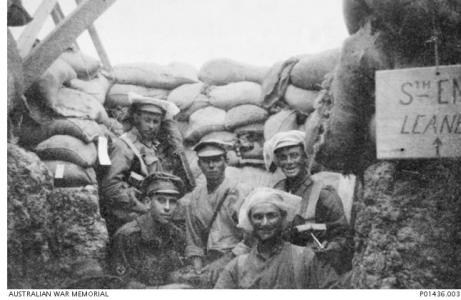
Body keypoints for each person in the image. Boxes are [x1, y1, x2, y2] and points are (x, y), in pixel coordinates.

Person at [100, 93, 193, 236]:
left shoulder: (156, 148)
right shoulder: (123, 146)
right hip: (130, 214)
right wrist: (143, 207)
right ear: (136, 118)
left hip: (154, 210)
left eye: (156, 122)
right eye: (147, 120)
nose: (151, 126)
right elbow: (111, 188)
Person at [264, 130, 354, 274]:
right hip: (282, 267)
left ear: (305, 157)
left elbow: (343, 236)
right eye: (283, 157)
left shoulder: (323, 193)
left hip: (314, 268)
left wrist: (330, 248)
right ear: (278, 162)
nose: (289, 162)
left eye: (294, 155)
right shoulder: (276, 191)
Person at [215, 187, 339, 289]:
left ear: (283, 217)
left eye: (271, 216)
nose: (265, 223)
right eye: (258, 217)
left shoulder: (305, 258)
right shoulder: (237, 266)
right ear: (250, 221)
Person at [182, 138, 250, 286]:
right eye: (206, 161)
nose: (211, 166)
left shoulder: (238, 192)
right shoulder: (195, 197)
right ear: (199, 164)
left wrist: (224, 262)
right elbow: (194, 241)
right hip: (209, 262)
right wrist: (198, 270)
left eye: (216, 160)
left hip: (238, 259)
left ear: (226, 161)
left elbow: (250, 238)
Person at [110, 172, 189, 288]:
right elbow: (120, 284)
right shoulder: (127, 236)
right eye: (161, 201)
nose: (167, 207)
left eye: (172, 202)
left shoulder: (176, 234)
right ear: (147, 203)